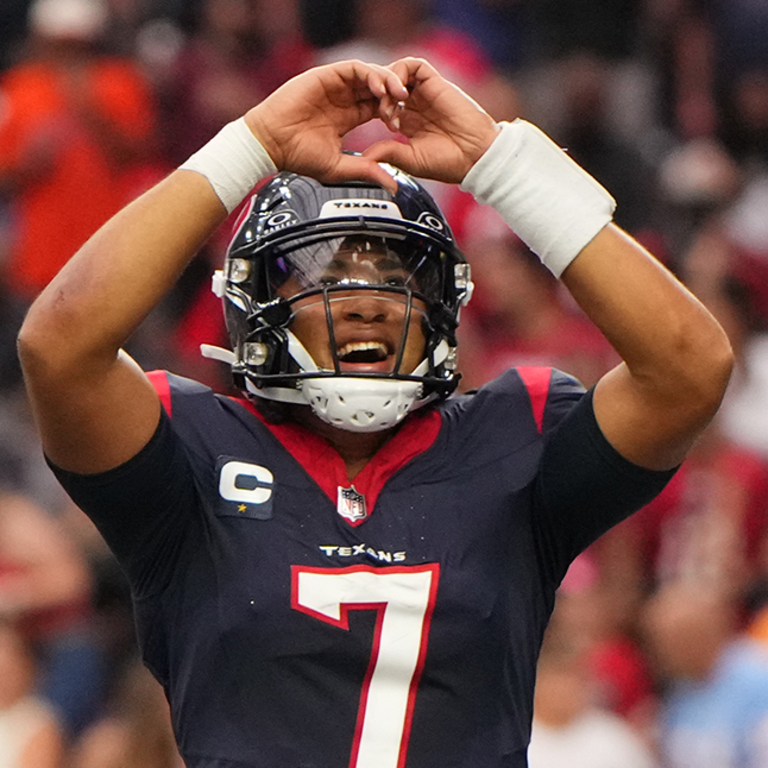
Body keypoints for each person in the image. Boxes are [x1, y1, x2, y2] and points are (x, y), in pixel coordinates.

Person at [17, 56, 732, 767]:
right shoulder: (193, 449)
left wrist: (503, 167)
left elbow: (690, 369)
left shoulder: (514, 436)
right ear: (255, 303)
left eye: (398, 277)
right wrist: (249, 145)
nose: (367, 301)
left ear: (442, 308)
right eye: (324, 272)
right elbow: (58, 347)